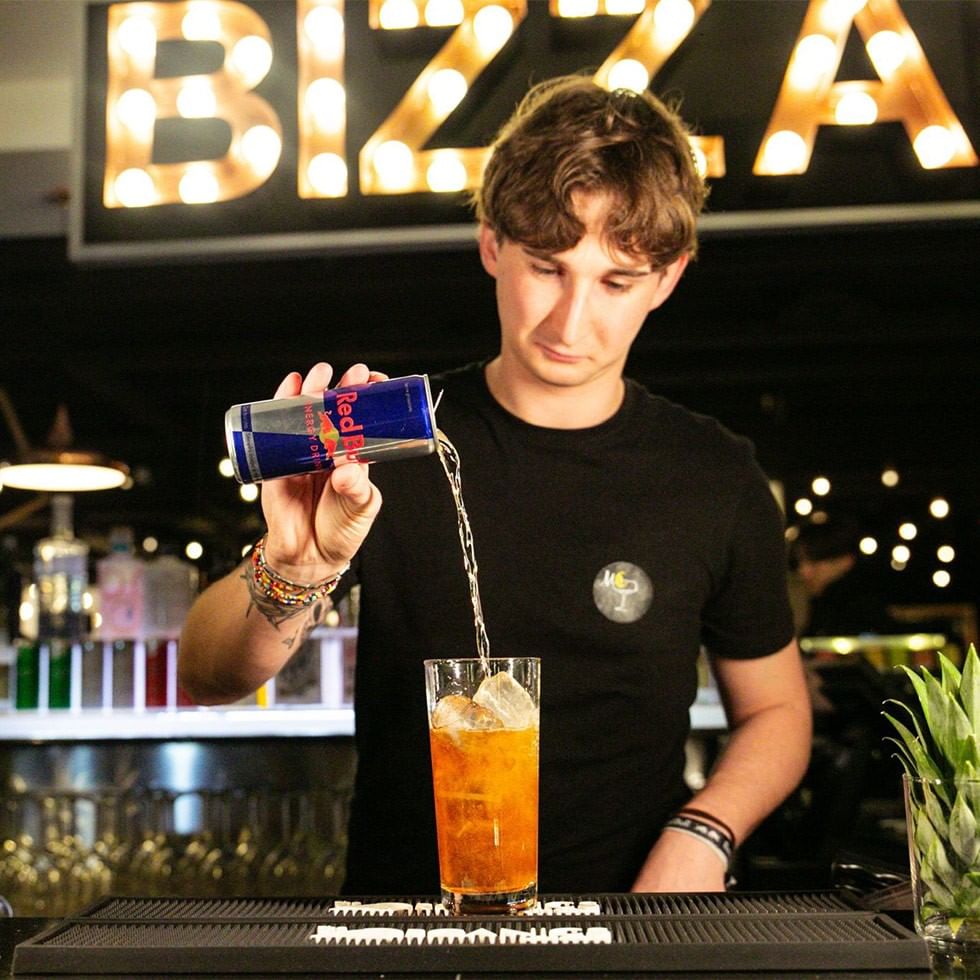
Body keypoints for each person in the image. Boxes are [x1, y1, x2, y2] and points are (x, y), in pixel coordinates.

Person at [179, 75, 812, 895]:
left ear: (668, 278)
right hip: (406, 926)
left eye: (616, 282)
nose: (571, 320)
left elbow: (777, 713)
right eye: (547, 268)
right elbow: (206, 675)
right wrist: (293, 566)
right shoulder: (390, 443)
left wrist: (704, 833)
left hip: (631, 923)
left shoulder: (713, 475)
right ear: (492, 245)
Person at [792, 517, 898, 637]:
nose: (803, 571)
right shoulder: (823, 605)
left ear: (846, 561)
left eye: (814, 562)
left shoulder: (854, 610)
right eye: (800, 562)